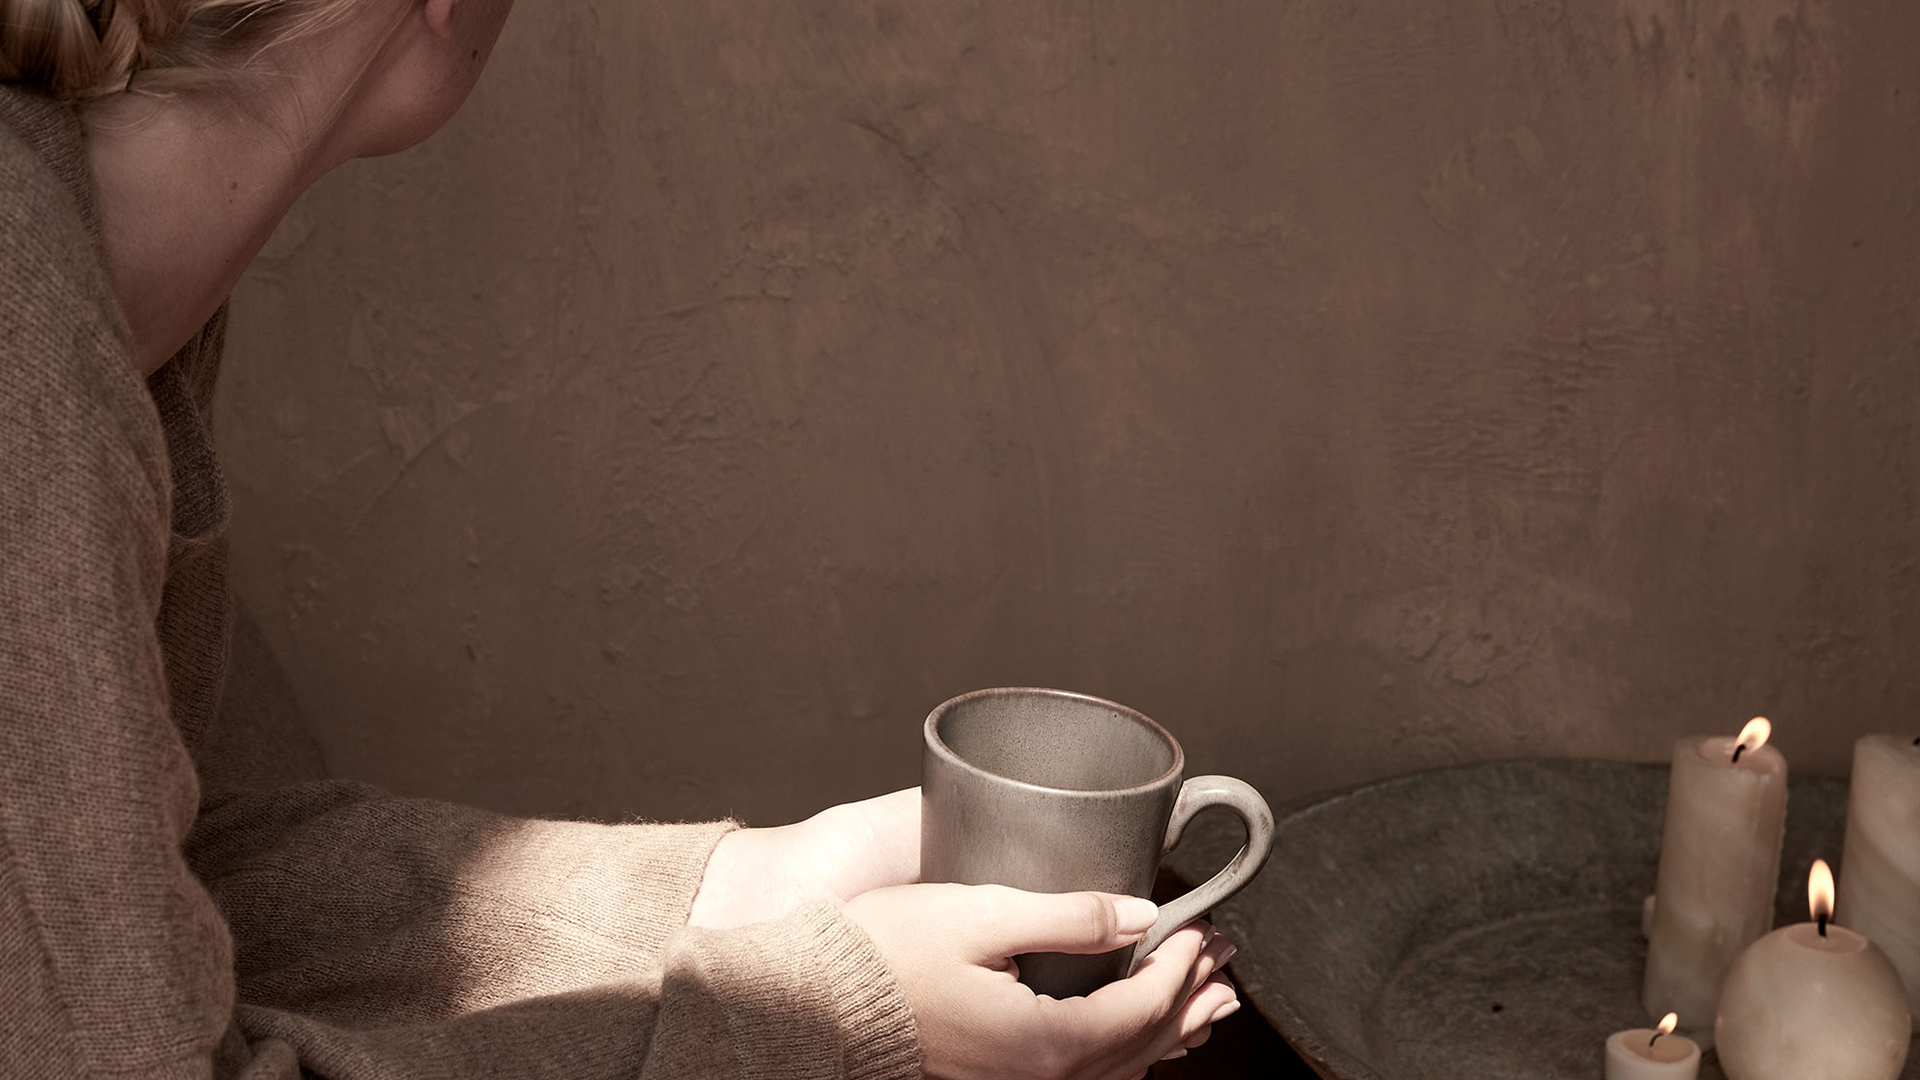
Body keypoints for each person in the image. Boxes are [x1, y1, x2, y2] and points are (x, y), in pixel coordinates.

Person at [0, 2, 1242, 1079]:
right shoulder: (31, 361)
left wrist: (752, 890)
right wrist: (838, 1027)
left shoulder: (113, 303)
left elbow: (140, 911)